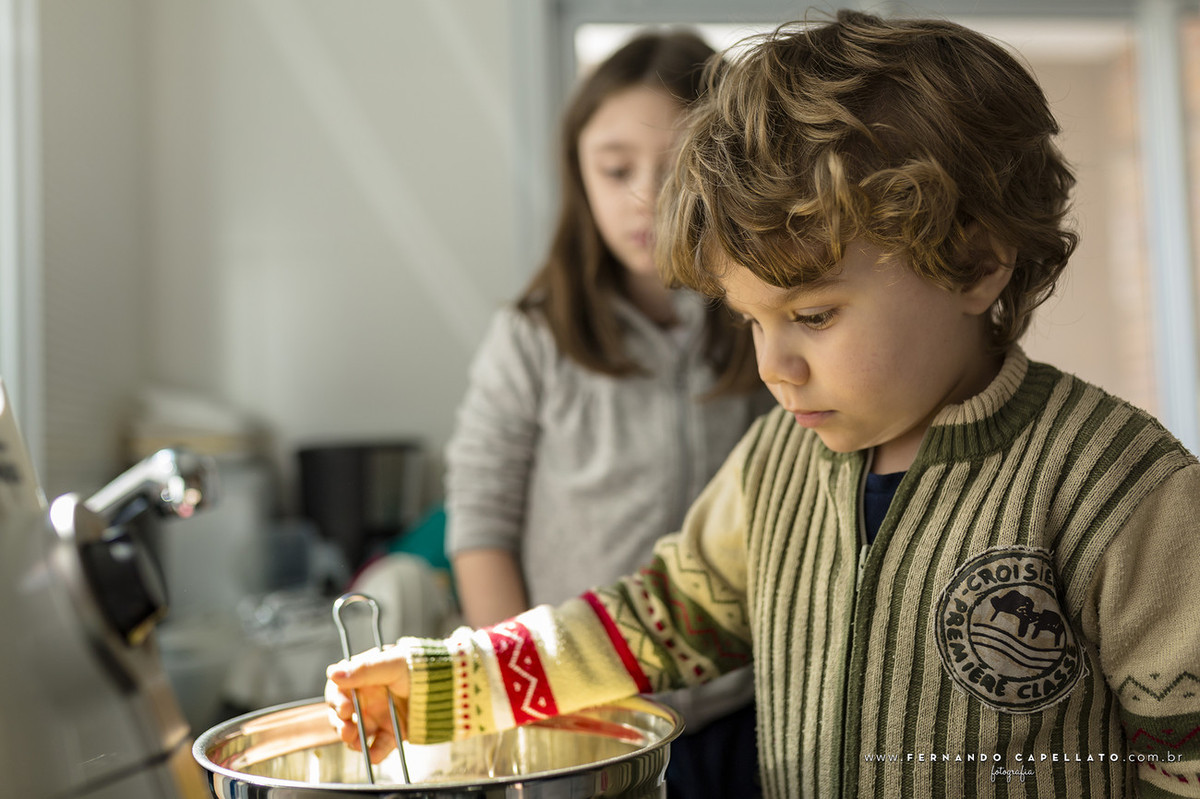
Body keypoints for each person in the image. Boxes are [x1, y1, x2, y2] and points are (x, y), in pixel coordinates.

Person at [327, 11, 1200, 798]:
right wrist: (460, 679)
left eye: (812, 315)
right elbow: (659, 619)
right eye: (749, 319)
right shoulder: (775, 462)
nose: (773, 365)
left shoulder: (1124, 491)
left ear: (975, 265)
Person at [439, 29, 768, 798]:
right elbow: (481, 522)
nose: (644, 196)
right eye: (616, 168)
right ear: (578, 171)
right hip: (580, 723)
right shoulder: (533, 333)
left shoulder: (759, 322)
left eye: (677, 166)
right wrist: (520, 695)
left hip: (737, 707)